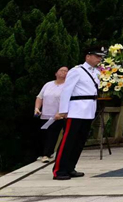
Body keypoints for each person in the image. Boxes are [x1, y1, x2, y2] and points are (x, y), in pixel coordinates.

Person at [52, 47, 105, 180]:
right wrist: (63, 110)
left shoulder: (96, 72)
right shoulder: (77, 71)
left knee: (79, 141)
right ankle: (59, 170)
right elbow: (66, 91)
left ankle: (70, 167)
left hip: (88, 110)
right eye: (96, 56)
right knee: (68, 140)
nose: (99, 59)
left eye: (100, 57)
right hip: (76, 110)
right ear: (88, 56)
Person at [35, 66, 69, 163]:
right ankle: (44, 153)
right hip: (45, 114)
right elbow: (40, 97)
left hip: (58, 116)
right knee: (43, 134)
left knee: (52, 134)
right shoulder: (48, 84)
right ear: (56, 73)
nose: (63, 72)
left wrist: (61, 112)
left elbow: (68, 100)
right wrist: (37, 108)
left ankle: (47, 154)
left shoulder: (67, 86)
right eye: (61, 70)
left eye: (66, 71)